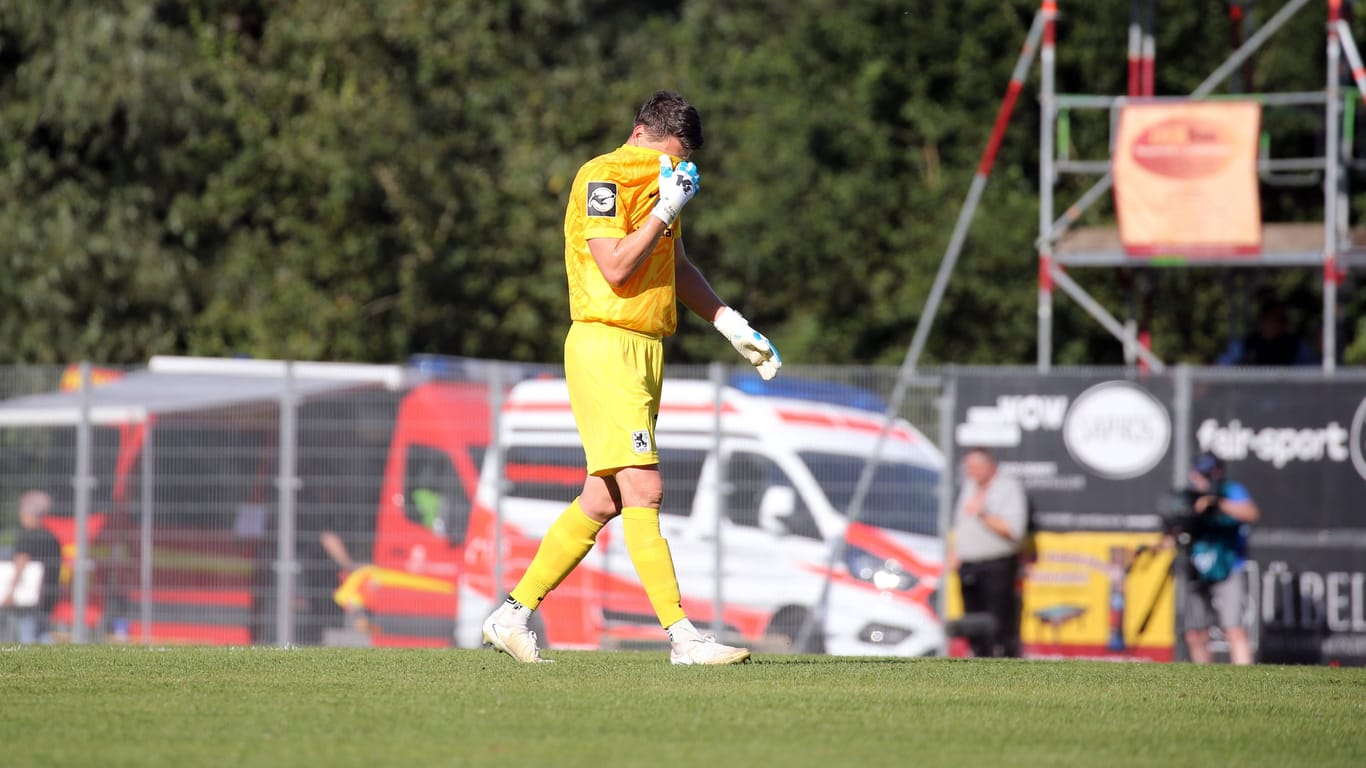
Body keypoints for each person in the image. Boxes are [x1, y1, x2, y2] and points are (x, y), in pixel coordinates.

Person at [481, 90, 781, 665]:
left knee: (604, 497)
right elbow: (616, 266)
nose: (667, 171)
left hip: (646, 350)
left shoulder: (663, 182)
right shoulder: (603, 175)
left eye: (677, 164)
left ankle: (511, 613)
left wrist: (729, 322)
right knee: (645, 487)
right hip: (605, 343)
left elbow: (674, 264)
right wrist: (665, 209)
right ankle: (683, 637)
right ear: (641, 133)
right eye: (664, 156)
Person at [1163, 451, 1259, 665]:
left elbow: (1251, 513)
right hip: (1195, 568)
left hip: (1228, 567)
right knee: (1195, 632)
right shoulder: (1187, 496)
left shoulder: (1229, 491)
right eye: (1200, 473)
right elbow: (1174, 530)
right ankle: (1203, 681)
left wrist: (1216, 504)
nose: (1203, 478)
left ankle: (1247, 683)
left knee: (1233, 629)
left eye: (1208, 473)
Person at [946, 447, 1028, 658]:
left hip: (997, 565)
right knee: (972, 618)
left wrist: (983, 514)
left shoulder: (1007, 488)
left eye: (974, 467)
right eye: (968, 467)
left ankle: (1003, 660)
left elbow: (1013, 530)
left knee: (998, 619)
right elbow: (962, 523)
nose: (970, 472)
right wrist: (956, 551)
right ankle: (978, 657)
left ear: (989, 465)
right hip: (968, 564)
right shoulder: (970, 487)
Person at [1, 491, 64, 644]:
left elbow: (21, 562)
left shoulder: (27, 536)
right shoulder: (52, 537)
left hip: (26, 597)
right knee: (41, 631)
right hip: (47, 594)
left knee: (27, 633)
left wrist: (10, 591)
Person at [1217, 301, 1317, 366]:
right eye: (1277, 319)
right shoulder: (1247, 344)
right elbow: (1222, 365)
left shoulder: (1296, 346)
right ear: (1262, 319)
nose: (1281, 324)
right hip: (1251, 395)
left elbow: (1313, 370)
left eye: (1284, 320)